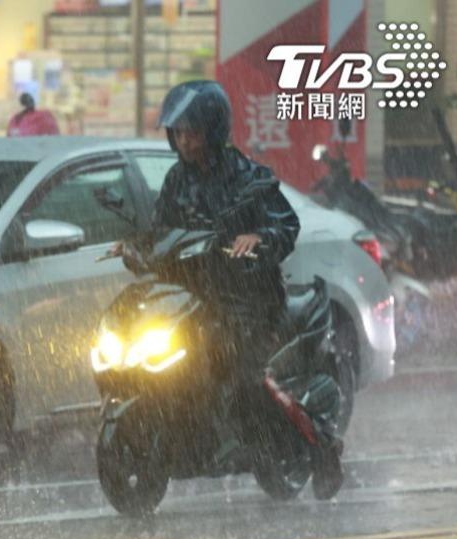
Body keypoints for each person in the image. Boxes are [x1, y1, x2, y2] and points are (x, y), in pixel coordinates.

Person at [144, 79, 340, 490]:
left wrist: (260, 238)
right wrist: (135, 246)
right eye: (177, 133)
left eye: (191, 132)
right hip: (197, 300)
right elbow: (160, 228)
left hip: (251, 302)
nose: (184, 141)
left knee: (245, 383)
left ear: (213, 131)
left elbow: (286, 223)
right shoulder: (177, 181)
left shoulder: (248, 176)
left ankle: (319, 448)